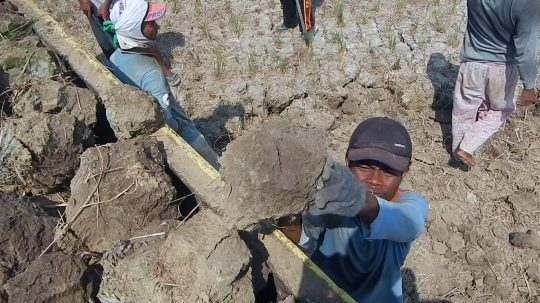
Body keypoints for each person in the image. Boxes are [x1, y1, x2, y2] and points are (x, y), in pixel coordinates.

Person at [277, 117, 428, 302]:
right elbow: (301, 240)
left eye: (388, 171)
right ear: (347, 161)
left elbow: (410, 223)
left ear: (404, 173)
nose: (374, 179)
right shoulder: (332, 198)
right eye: (364, 167)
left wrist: (357, 198)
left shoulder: (409, 202)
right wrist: (287, 204)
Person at [102, 0, 220, 170]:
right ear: (135, 29)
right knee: (213, 165)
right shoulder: (152, 74)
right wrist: (181, 125)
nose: (158, 27)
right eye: (151, 23)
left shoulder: (115, 58)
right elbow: (166, 121)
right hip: (183, 137)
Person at [452, 0, 540, 167]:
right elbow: (526, 50)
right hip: (503, 69)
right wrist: (528, 85)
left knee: (464, 110)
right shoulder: (528, 4)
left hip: (471, 65)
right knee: (500, 111)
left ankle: (456, 154)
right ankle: (467, 146)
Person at [77, 0, 181, 87]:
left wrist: (107, 3)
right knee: (108, 45)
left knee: (141, 36)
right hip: (93, 8)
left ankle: (163, 68)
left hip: (118, 4)